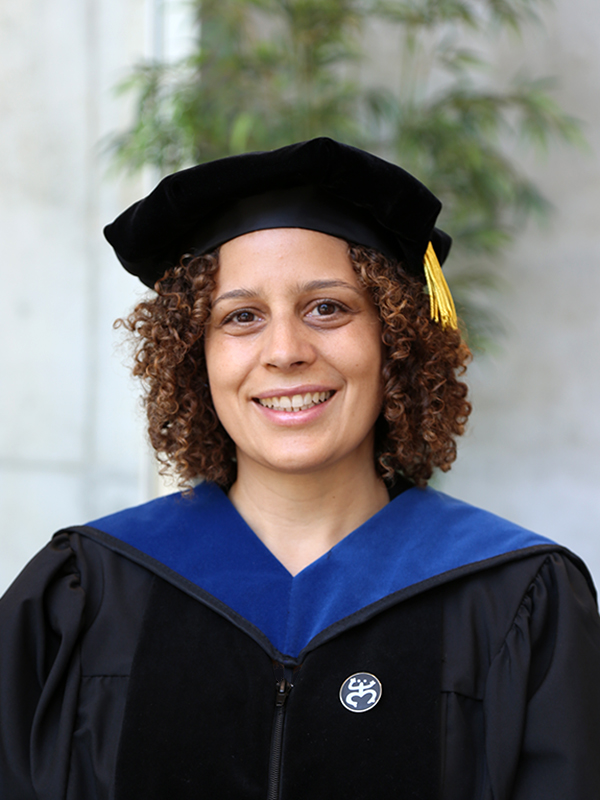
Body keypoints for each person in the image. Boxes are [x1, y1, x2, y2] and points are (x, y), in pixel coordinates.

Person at [1, 137, 599, 799]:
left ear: (394, 341)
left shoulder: (514, 599)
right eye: (242, 316)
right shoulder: (86, 594)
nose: (285, 350)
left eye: (327, 308)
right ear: (196, 357)